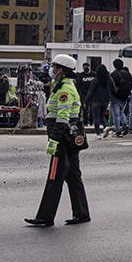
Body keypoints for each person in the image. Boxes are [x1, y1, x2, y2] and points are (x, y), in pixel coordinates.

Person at [25, 54, 90, 227]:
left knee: (54, 177)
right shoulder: (62, 85)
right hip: (69, 138)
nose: (52, 70)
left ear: (61, 70)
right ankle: (82, 213)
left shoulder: (64, 89)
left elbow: (63, 117)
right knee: (73, 175)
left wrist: (53, 139)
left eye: (54, 67)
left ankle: (45, 217)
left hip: (62, 138)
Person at [85, 64, 115, 139]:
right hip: (106, 100)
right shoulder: (109, 80)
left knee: (96, 118)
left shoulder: (95, 80)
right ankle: (105, 127)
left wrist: (86, 101)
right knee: (102, 115)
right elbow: (114, 89)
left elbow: (90, 91)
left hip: (95, 100)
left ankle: (98, 134)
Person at [109, 59, 132, 137]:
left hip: (115, 96)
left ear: (114, 66)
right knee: (121, 111)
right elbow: (131, 85)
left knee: (116, 114)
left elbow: (111, 86)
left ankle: (118, 131)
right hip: (125, 96)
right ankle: (125, 124)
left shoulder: (113, 74)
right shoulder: (128, 74)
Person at [75, 62, 96, 128]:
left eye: (87, 66)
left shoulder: (94, 74)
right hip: (84, 94)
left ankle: (91, 121)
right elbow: (78, 84)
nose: (86, 68)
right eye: (85, 67)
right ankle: (85, 122)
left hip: (93, 94)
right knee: (84, 108)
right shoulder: (81, 75)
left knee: (92, 108)